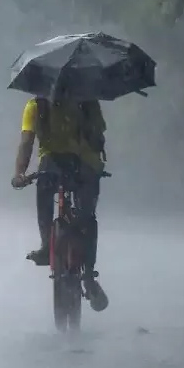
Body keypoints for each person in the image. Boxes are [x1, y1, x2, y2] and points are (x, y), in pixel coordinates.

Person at [11, 95, 108, 309]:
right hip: (82, 165)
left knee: (46, 193)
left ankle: (48, 245)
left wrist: (20, 174)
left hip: (55, 164)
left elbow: (27, 142)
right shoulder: (87, 100)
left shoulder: (37, 105)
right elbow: (99, 137)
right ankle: (88, 276)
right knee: (87, 216)